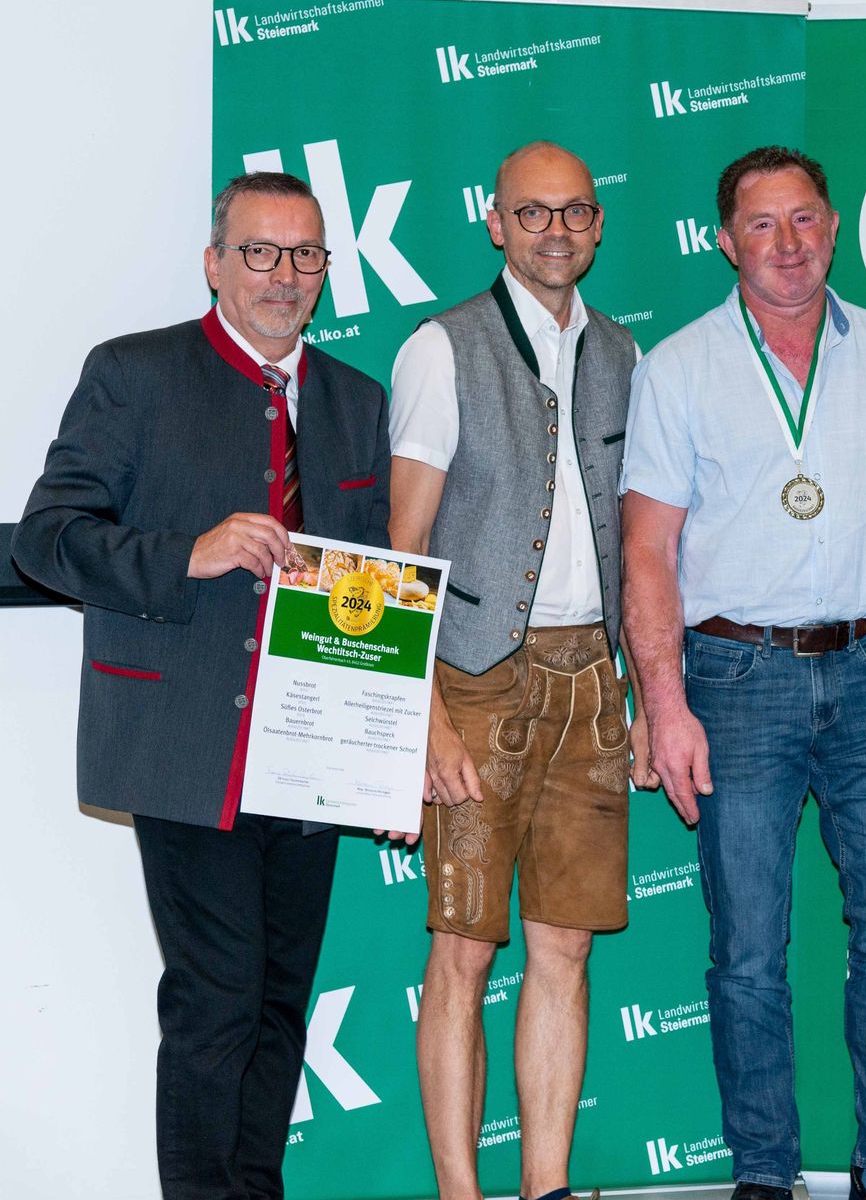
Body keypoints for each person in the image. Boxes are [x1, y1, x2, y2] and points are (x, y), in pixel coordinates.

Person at [12, 172, 390, 1200]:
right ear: (215, 262)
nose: (283, 275)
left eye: (305, 255)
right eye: (260, 252)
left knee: (277, 1004)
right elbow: (50, 537)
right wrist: (190, 551)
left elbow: (375, 585)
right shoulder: (132, 374)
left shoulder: (358, 399)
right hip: (186, 744)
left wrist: (388, 750)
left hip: (313, 755)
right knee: (217, 1002)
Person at [620, 145, 866, 1200]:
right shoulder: (677, 367)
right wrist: (665, 702)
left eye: (805, 219)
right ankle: (766, 1174)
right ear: (726, 241)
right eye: (762, 225)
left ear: (832, 224)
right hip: (735, 675)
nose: (788, 244)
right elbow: (647, 550)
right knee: (748, 949)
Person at [386, 140, 652, 1200]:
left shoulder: (626, 353)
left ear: (597, 225)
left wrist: (634, 689)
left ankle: (547, 1186)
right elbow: (400, 547)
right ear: (495, 222)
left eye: (575, 213)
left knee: (566, 954)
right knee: (461, 955)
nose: (556, 232)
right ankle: (462, 1191)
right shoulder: (439, 349)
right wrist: (421, 713)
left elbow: (639, 539)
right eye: (533, 214)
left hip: (591, 681)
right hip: (473, 681)